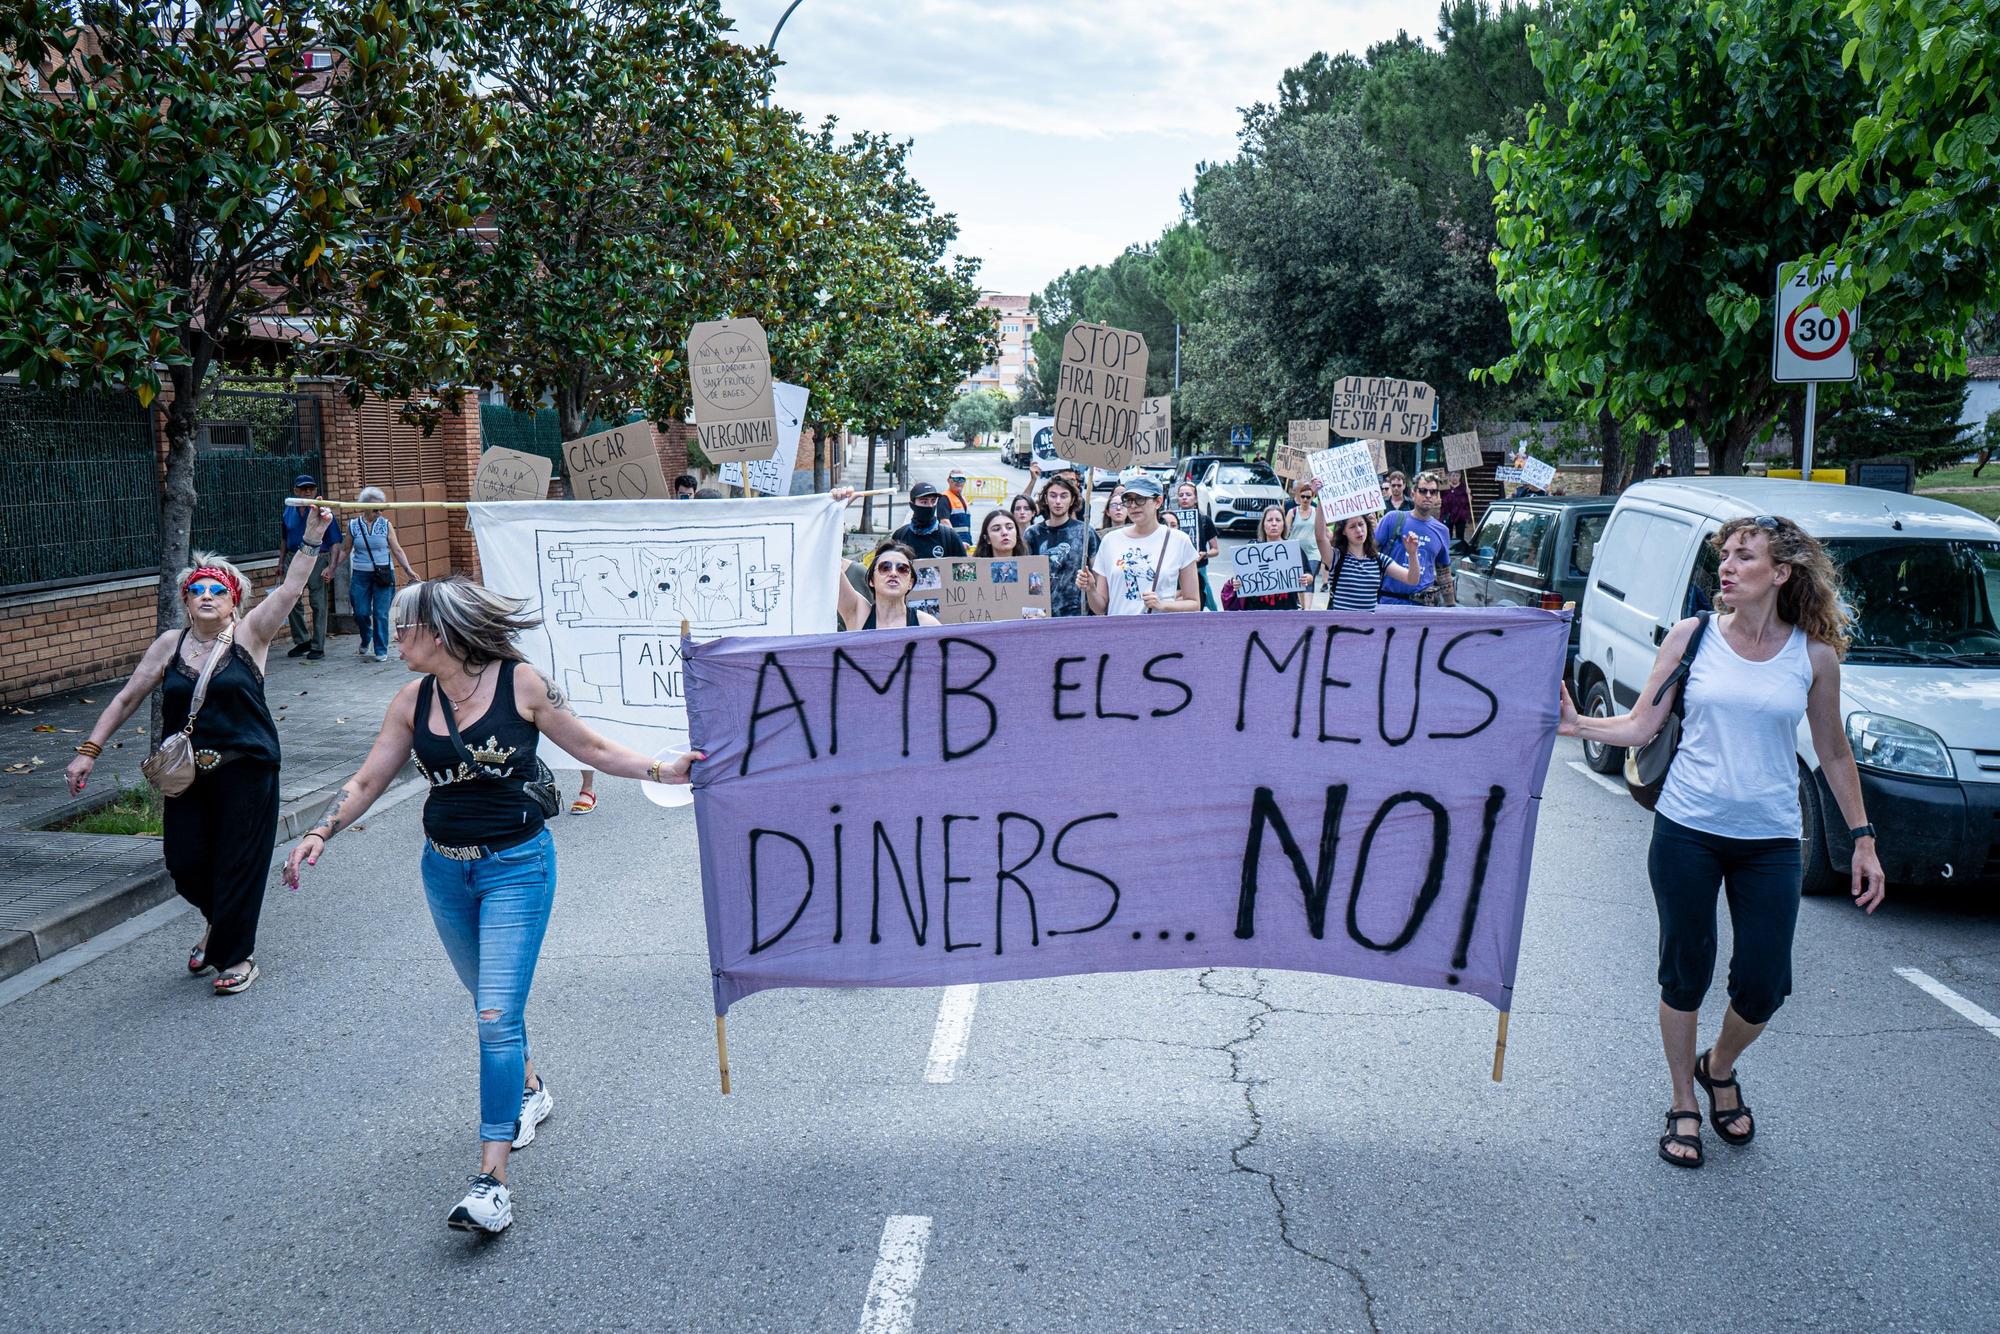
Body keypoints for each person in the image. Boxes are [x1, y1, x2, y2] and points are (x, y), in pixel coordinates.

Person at [282, 575, 698, 1231]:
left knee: (497, 1016)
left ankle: (491, 1182)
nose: (395, 638)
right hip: (444, 873)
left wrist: (661, 770)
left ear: (440, 632)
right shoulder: (410, 701)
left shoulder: (520, 683)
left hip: (517, 869)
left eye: (404, 627)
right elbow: (368, 777)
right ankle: (529, 1090)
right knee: (488, 1004)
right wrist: (318, 831)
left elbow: (588, 748)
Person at [1558, 515, 1885, 1170]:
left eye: (1746, 556)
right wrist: (1574, 724)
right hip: (1686, 830)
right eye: (1725, 556)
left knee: (1764, 983)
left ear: (1782, 573)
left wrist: (1862, 838)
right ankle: (1683, 1099)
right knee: (1686, 970)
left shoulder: (1813, 656)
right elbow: (1641, 723)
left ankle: (1719, 1065)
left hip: (1769, 840)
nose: (1727, 567)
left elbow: (1834, 752)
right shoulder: (1693, 636)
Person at [66, 506, 339, 993]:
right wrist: (89, 749)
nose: (208, 596)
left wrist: (313, 538)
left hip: (246, 772)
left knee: (238, 863)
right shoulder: (169, 645)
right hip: (188, 775)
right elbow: (128, 697)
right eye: (199, 590)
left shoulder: (251, 636)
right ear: (185, 601)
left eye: (219, 591)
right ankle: (219, 925)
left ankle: (237, 957)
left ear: (234, 602)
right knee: (185, 864)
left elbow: (291, 589)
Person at [1078, 476, 1200, 616]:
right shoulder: (1110, 541)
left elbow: (1194, 603)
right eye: (1128, 500)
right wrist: (1090, 589)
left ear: (1158, 501)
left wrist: (1163, 605)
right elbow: (1100, 608)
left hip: (1160, 633)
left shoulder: (1179, 540)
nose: (1133, 506)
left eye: (1140, 499)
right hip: (1119, 632)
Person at [337, 487, 420, 662]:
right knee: (361, 612)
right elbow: (345, 550)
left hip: (383, 574)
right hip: (361, 575)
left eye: (382, 509)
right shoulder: (353, 525)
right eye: (376, 509)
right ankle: (366, 636)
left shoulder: (386, 524)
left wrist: (408, 569)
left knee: (380, 613)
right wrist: (331, 568)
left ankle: (380, 649)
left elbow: (396, 549)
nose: (379, 513)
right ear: (364, 507)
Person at [280, 474, 343, 659]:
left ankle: (318, 646)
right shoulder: (288, 510)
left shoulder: (323, 512)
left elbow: (335, 542)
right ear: (296, 491)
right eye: (304, 488)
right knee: (290, 600)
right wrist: (280, 562)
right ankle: (302, 641)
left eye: (311, 488)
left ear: (315, 491)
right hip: (293, 557)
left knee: (318, 603)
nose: (308, 492)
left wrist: (331, 567)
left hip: (317, 557)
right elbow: (284, 538)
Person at [1315, 508, 1422, 612]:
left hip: (1368, 628)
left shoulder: (1380, 560)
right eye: (1352, 527)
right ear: (1343, 532)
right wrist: (1320, 500)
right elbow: (1320, 537)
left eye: (1361, 524)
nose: (1358, 530)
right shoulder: (1336, 558)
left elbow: (1412, 579)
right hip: (1338, 627)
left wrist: (1412, 554)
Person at [1374, 471, 1456, 607]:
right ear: (1413, 494)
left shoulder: (1442, 531)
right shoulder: (1393, 519)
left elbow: (1444, 574)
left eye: (1433, 492)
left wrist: (1451, 608)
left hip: (1423, 609)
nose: (1428, 496)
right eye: (1423, 491)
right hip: (1389, 604)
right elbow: (1368, 553)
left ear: (1437, 496)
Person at [1024, 475, 1098, 618]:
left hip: (1077, 614)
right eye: (1053, 496)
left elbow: (1097, 573)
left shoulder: (1085, 532)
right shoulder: (1032, 534)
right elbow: (1027, 576)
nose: (1058, 501)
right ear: (1045, 499)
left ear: (1072, 500)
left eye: (1064, 496)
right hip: (1041, 614)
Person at [838, 539, 941, 630]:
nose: (893, 573)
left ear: (910, 583)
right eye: (885, 567)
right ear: (872, 580)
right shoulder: (857, 614)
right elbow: (828, 561)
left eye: (902, 569)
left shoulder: (927, 625)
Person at [1227, 506, 1313, 611]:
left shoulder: (1293, 549)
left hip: (1286, 610)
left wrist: (1306, 578)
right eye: (1269, 520)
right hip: (1256, 611)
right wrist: (1236, 583)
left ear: (1283, 525)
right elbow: (1241, 576)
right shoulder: (1252, 548)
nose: (1274, 523)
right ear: (1263, 525)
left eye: (1278, 520)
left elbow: (1309, 575)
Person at [1173, 481, 1222, 610]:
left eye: (1188, 494)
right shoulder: (1171, 520)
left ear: (1195, 498)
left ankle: (1216, 621)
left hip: (1199, 567)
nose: (1184, 497)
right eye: (1181, 494)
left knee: (1208, 599)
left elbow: (1215, 550)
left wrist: (1204, 554)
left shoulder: (1205, 520)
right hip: (1176, 569)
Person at [892, 482, 968, 560]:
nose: (930, 506)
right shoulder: (900, 535)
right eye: (924, 502)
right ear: (912, 505)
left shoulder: (950, 536)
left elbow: (964, 569)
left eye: (933, 501)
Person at [1440, 470, 1473, 542]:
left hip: (1460, 514)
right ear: (1449, 476)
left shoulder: (1464, 487)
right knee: (1447, 534)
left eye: (1457, 476)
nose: (1455, 478)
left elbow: (1469, 500)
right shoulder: (1444, 486)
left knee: (1460, 535)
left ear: (1460, 477)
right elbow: (1439, 498)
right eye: (1453, 475)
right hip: (1447, 513)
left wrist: (1469, 493)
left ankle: (1459, 550)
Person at [942, 471, 972, 542]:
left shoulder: (962, 498)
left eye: (962, 479)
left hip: (966, 542)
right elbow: (944, 522)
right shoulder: (945, 498)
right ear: (949, 480)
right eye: (956, 479)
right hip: (953, 543)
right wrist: (957, 541)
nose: (959, 482)